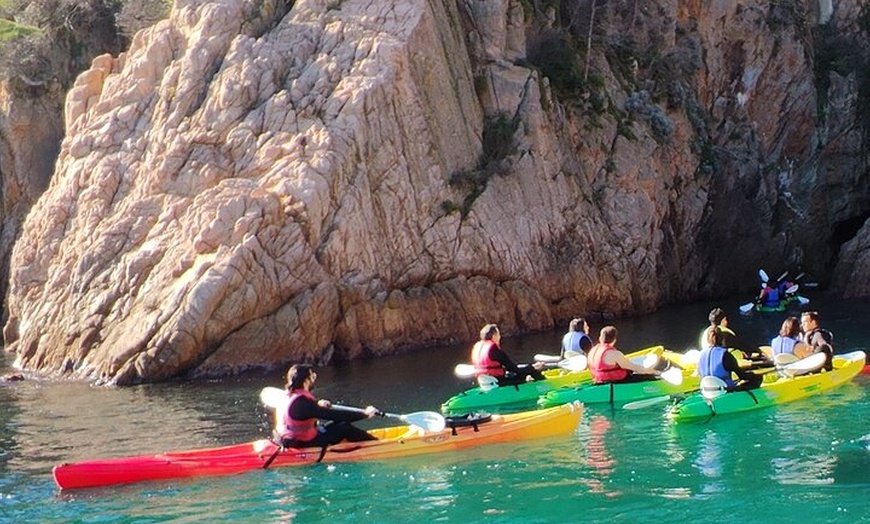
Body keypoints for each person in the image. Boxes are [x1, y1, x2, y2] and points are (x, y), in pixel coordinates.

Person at [274, 364, 379, 448]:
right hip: (301, 443)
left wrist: (318, 404)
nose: (314, 380)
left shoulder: (287, 396)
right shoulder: (303, 403)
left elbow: (304, 412)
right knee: (344, 427)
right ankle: (376, 444)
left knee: (338, 424)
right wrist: (365, 414)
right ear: (306, 382)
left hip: (285, 439)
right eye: (312, 377)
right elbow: (336, 415)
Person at [471, 324, 546, 385]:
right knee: (532, 372)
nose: (500, 337)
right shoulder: (494, 350)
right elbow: (515, 370)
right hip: (498, 381)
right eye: (498, 334)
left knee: (515, 372)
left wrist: (530, 366)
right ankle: (546, 386)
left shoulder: (477, 348)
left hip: (483, 381)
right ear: (494, 336)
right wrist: (533, 367)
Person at [587, 325, 661, 384]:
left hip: (598, 379)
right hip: (615, 381)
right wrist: (652, 371)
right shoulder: (614, 354)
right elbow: (633, 367)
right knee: (650, 376)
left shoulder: (592, 350)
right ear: (614, 340)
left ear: (600, 338)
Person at [698, 327, 762, 391]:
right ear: (721, 339)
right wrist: (754, 374)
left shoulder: (700, 355)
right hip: (725, 390)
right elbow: (742, 376)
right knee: (758, 378)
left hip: (707, 391)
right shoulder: (724, 354)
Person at [699, 307, 764, 359]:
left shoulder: (707, 331)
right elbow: (742, 345)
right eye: (725, 320)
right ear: (723, 320)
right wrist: (758, 351)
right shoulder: (724, 332)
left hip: (706, 356)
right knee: (740, 352)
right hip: (720, 359)